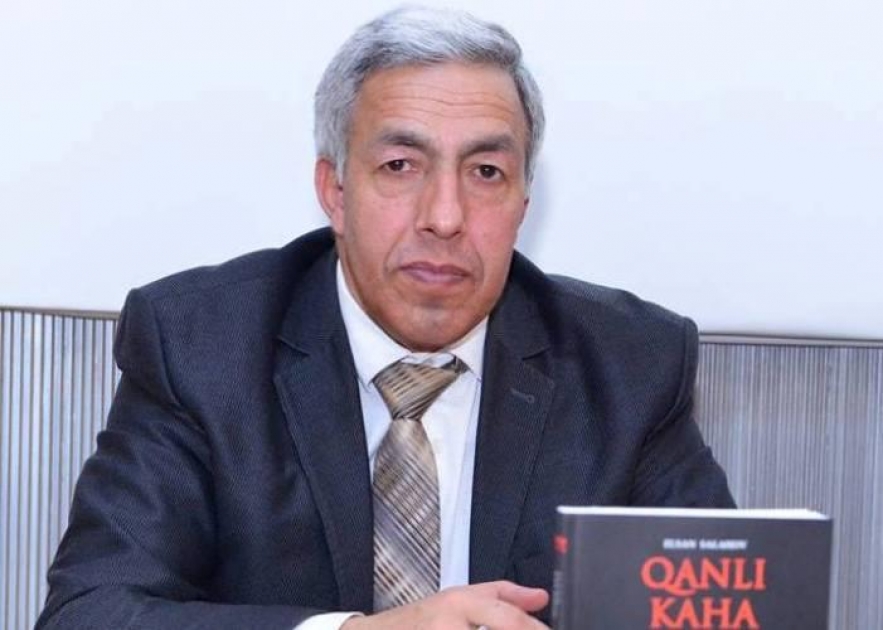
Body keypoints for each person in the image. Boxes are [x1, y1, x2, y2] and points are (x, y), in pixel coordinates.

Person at [37, 6, 734, 630]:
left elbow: (723, 611)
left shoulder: (630, 366)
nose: (444, 217)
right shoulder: (200, 347)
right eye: (401, 165)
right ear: (335, 192)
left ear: (523, 205)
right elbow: (91, 612)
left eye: (486, 173)